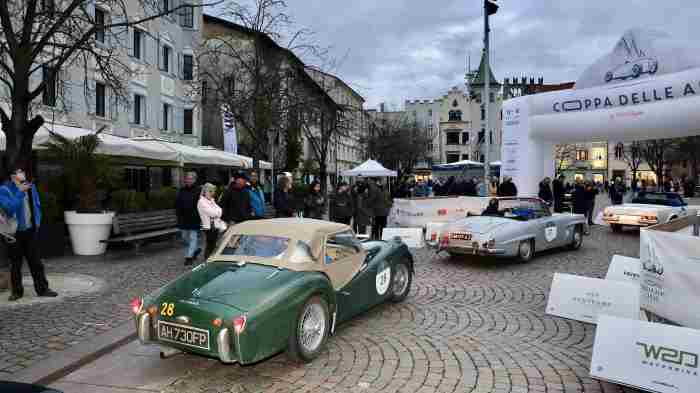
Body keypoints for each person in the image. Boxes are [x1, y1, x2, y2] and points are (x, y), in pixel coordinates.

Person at [0, 167, 57, 301]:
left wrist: (37, 222)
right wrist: (19, 192)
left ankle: (43, 289)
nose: (22, 174)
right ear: (12, 176)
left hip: (30, 230)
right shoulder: (4, 189)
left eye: (23, 171)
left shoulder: (31, 187)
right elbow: (9, 209)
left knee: (36, 262)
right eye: (19, 172)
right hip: (13, 233)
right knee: (16, 264)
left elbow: (36, 204)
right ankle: (17, 292)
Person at [175, 172, 201, 266]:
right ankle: (196, 249)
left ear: (194, 180)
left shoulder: (199, 190)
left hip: (194, 217)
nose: (189, 180)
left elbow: (202, 205)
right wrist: (178, 215)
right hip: (183, 218)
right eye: (187, 178)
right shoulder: (181, 190)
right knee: (184, 237)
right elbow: (177, 204)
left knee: (193, 237)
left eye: (191, 179)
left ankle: (189, 257)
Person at [197, 183, 224, 259]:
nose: (212, 193)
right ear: (205, 191)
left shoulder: (212, 200)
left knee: (213, 243)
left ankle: (210, 258)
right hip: (208, 226)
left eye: (212, 191)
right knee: (210, 244)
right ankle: (208, 259)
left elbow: (220, 210)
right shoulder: (201, 201)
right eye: (210, 191)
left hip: (214, 225)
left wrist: (217, 213)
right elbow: (212, 213)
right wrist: (217, 213)